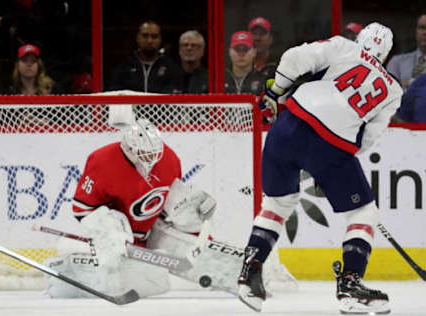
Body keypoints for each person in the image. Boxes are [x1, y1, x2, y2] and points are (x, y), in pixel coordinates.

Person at [237, 22, 402, 315]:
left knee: (277, 203)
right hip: (331, 148)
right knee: (363, 211)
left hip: (286, 129)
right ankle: (350, 282)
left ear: (360, 39)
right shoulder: (392, 90)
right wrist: (329, 165)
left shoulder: (343, 46)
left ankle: (250, 273)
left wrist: (277, 91)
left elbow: (293, 58)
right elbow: (368, 140)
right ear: (386, 56)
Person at [46, 118, 285, 299]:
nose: (150, 159)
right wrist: (110, 232)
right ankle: (85, 271)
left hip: (149, 233)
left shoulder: (169, 159)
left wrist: (192, 208)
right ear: (129, 149)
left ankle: (247, 278)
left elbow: (168, 205)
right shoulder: (101, 161)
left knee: (187, 245)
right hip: (118, 237)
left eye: (154, 153)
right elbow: (82, 209)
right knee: (142, 272)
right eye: (144, 153)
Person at [108, 20, 183, 94]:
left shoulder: (171, 67)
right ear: (137, 38)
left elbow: (175, 94)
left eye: (154, 36)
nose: (150, 41)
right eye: (145, 36)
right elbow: (114, 93)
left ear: (160, 39)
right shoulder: (125, 66)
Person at [387, 13, 426, 90]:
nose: (425, 32)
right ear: (416, 31)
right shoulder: (397, 61)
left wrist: (406, 83)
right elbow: (388, 90)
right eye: (422, 28)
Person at [225, 31, 264, 95]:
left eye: (246, 49)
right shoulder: (219, 80)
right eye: (237, 49)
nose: (241, 54)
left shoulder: (263, 80)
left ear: (254, 52)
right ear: (229, 51)